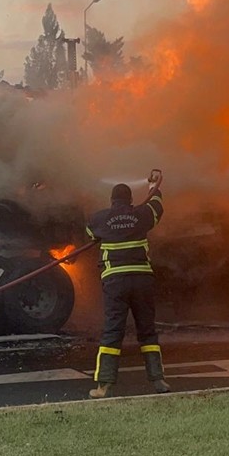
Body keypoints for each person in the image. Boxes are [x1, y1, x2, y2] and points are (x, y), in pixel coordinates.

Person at [84, 170, 167, 399]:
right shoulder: (141, 214)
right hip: (142, 281)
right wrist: (152, 188)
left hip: (115, 283)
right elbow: (157, 207)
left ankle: (103, 386)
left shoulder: (99, 218)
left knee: (113, 331)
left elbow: (90, 233)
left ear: (112, 201)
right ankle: (158, 380)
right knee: (147, 331)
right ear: (130, 200)